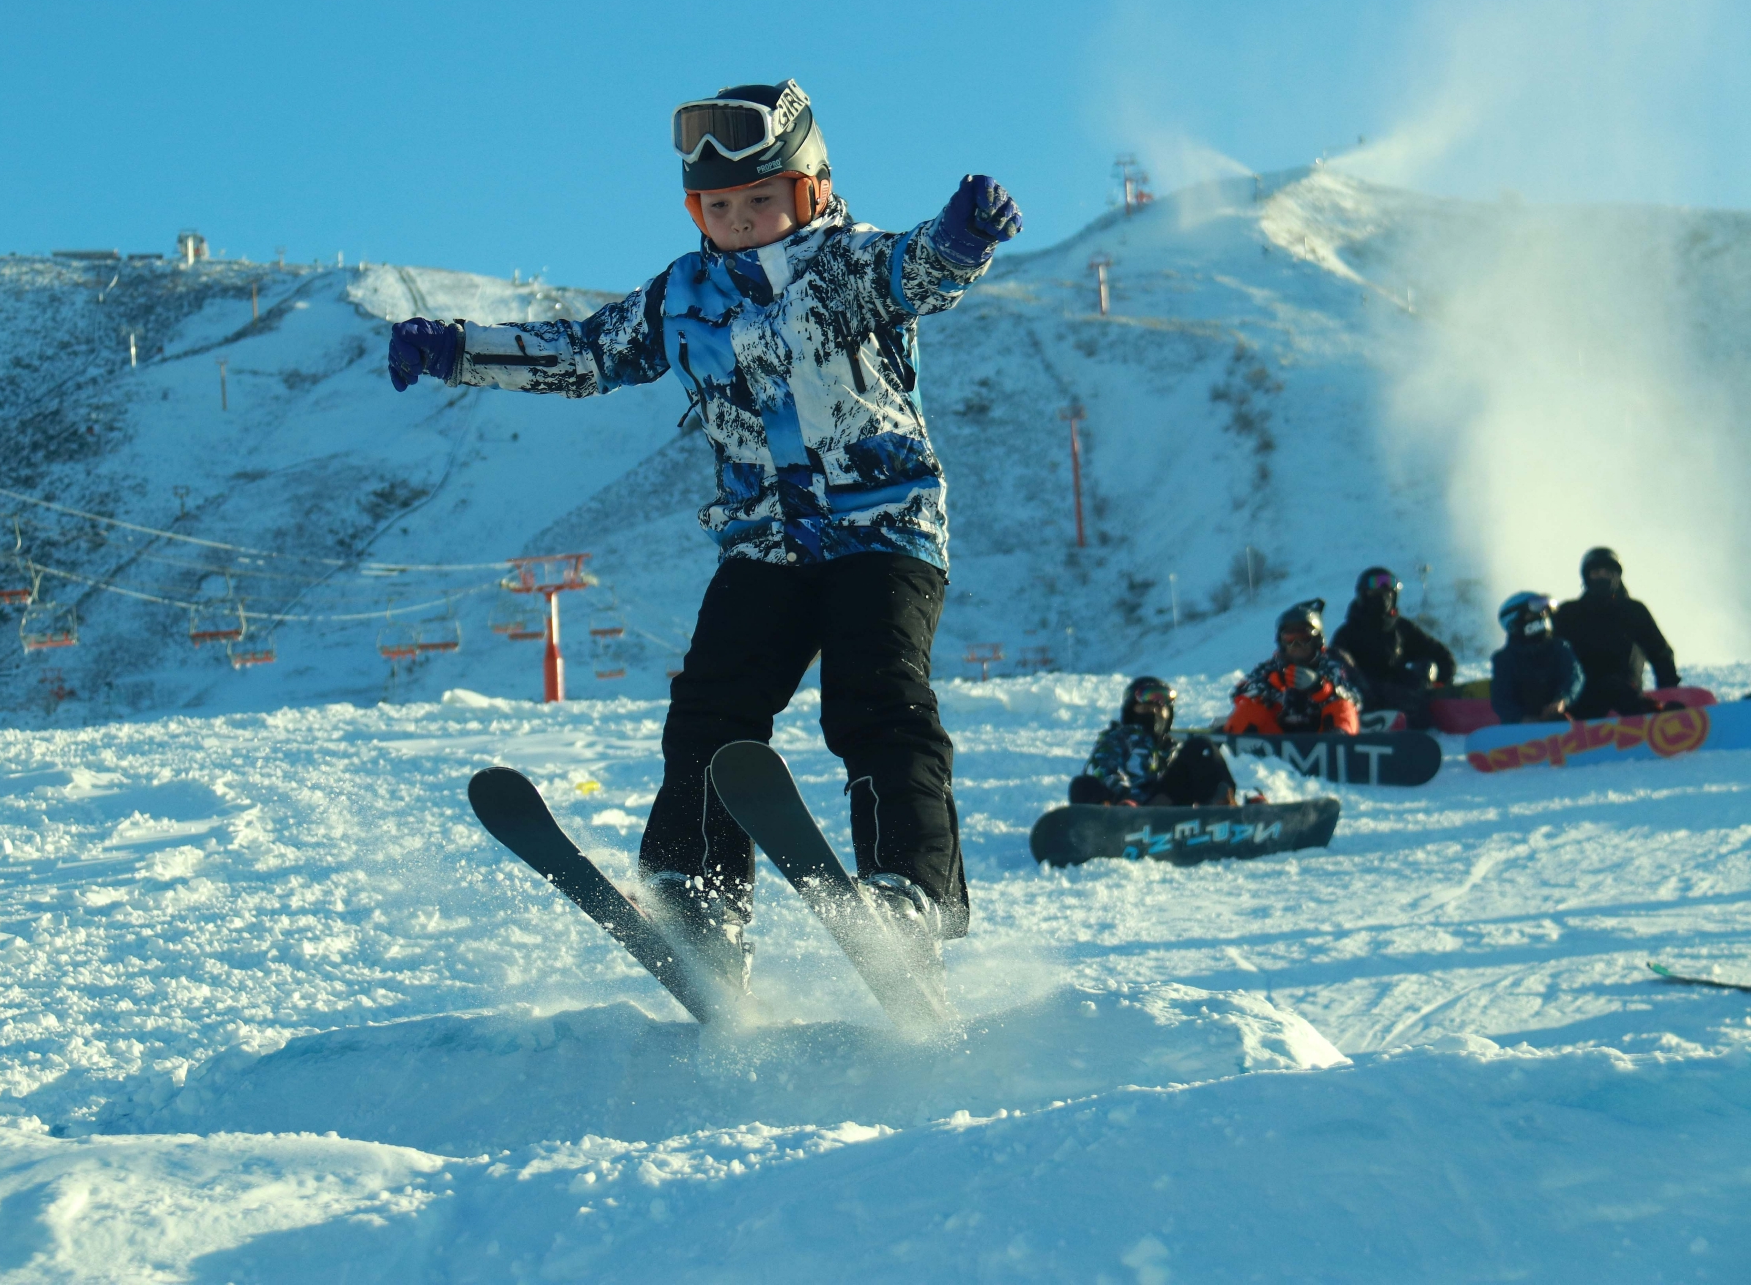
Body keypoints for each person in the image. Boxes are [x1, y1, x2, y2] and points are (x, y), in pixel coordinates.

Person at [386, 79, 1020, 991]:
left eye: (762, 198)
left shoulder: (847, 265)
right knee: (711, 716)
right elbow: (582, 354)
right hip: (764, 544)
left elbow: (918, 271)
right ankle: (700, 894)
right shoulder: (680, 299)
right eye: (718, 206)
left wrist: (964, 239)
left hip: (883, 527)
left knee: (877, 702)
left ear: (810, 192)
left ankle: (906, 894)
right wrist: (455, 349)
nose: (741, 219)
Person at [1071, 676, 1237, 807]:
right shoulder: (1116, 739)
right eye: (1146, 708)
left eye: (1159, 709)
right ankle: (1094, 831)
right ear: (1131, 711)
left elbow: (1183, 781)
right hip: (1126, 812)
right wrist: (1123, 796)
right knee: (1082, 785)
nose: (1154, 712)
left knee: (1201, 748)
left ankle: (1223, 812)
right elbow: (1103, 768)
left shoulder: (1174, 748)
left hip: (1162, 807)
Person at [1555, 547, 1678, 718]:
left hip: (1627, 694)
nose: (1602, 577)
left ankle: (1651, 714)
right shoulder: (1568, 613)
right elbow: (1549, 653)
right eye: (1596, 572)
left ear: (1617, 576)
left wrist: (1669, 693)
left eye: (1608, 572)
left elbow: (1660, 653)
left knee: (1613, 685)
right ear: (1587, 577)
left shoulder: (1634, 611)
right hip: (1581, 695)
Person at [1330, 565, 1455, 729]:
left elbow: (1441, 655)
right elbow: (1335, 670)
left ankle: (1434, 707)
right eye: (1375, 590)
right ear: (1363, 595)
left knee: (1427, 666)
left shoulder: (1401, 628)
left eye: (1388, 591)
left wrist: (1439, 682)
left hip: (1402, 695)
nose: (1383, 595)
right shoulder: (1347, 633)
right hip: (1363, 698)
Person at [1228, 599, 1361, 735]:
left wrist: (1321, 688)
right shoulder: (1271, 668)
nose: (1297, 645)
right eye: (1290, 639)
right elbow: (1238, 693)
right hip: (1274, 740)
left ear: (1317, 640)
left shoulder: (1330, 665)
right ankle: (1239, 750)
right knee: (1248, 707)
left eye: (1304, 638)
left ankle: (1341, 746)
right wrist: (1270, 684)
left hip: (1324, 738)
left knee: (1343, 706)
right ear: (1281, 642)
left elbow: (1355, 699)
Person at [1490, 591, 1583, 724]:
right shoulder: (1504, 659)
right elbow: (1502, 698)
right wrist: (1521, 718)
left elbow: (1574, 676)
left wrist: (1562, 700)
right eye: (1534, 613)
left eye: (1544, 612)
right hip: (1521, 728)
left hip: (1560, 721)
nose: (1542, 616)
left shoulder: (1560, 648)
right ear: (1516, 619)